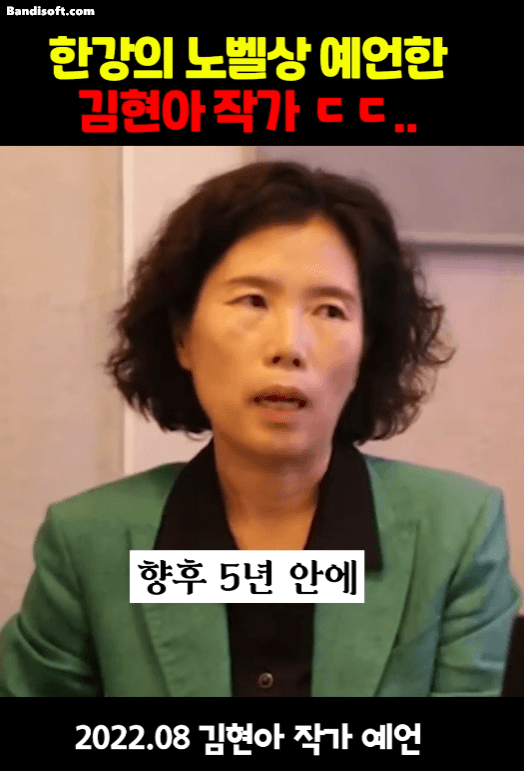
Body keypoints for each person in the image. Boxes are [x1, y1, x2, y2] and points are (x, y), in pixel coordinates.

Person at [0, 160, 521, 697]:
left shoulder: (457, 535)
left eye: (330, 310)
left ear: (367, 347)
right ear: (182, 336)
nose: (289, 346)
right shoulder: (87, 545)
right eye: (253, 300)